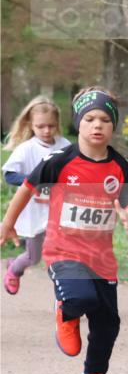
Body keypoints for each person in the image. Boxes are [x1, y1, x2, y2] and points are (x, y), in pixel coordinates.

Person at [0, 87, 128, 374]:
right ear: (78, 123)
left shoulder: (120, 165)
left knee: (108, 323)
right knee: (80, 297)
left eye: (105, 120)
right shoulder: (59, 161)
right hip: (63, 250)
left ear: (113, 127)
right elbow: (25, 189)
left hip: (102, 257)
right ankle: (67, 311)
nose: (97, 125)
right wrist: (8, 225)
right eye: (90, 118)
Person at [2, 96, 72, 295]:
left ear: (57, 124)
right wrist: (34, 181)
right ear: (31, 125)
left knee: (64, 254)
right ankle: (14, 268)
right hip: (34, 212)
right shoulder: (26, 149)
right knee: (34, 257)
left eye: (51, 126)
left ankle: (66, 293)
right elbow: (10, 175)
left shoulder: (65, 145)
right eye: (41, 126)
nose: (47, 131)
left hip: (60, 211)